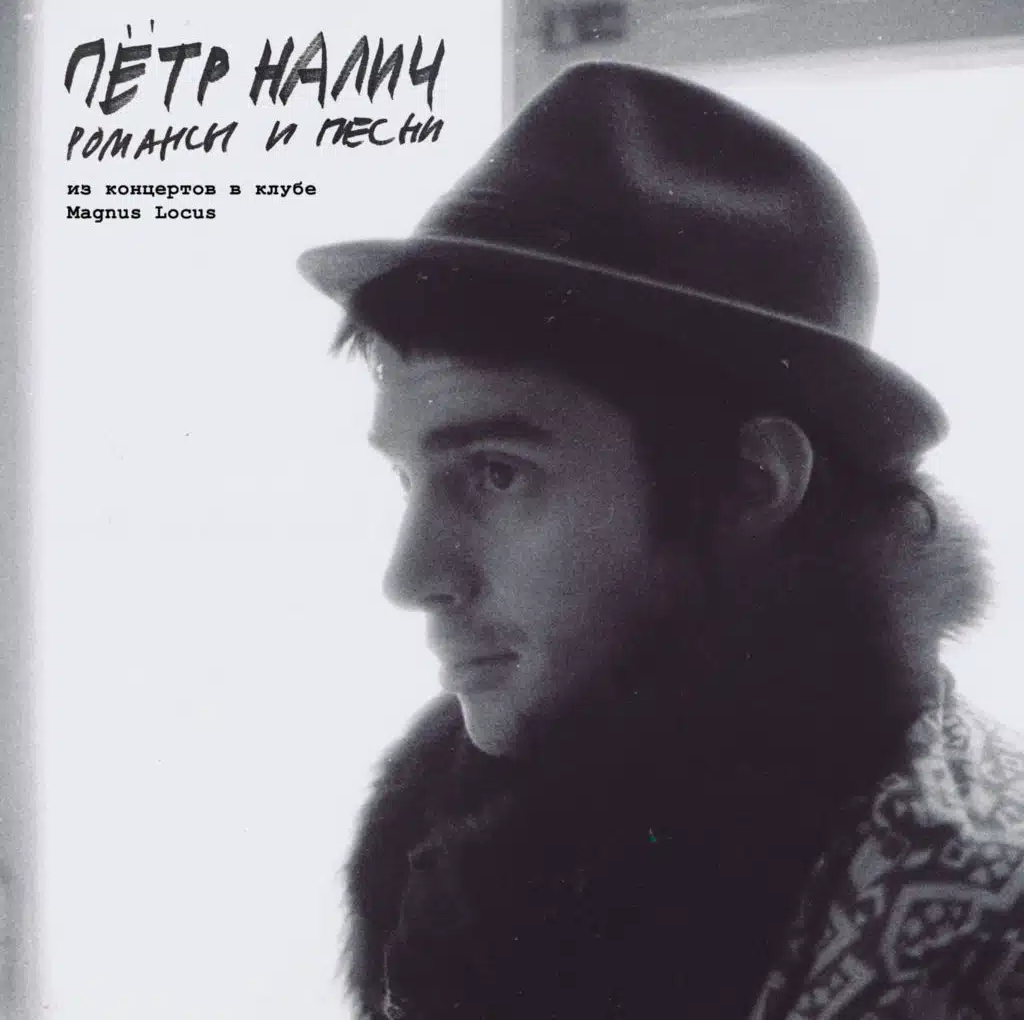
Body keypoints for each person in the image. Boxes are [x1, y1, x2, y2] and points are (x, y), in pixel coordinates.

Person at [298, 62, 1023, 1019]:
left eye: (496, 473)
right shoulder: (475, 816)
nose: (411, 577)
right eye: (408, 479)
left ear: (749, 484)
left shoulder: (982, 930)